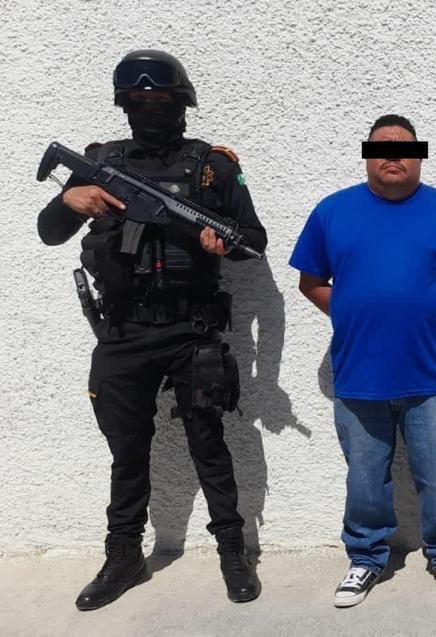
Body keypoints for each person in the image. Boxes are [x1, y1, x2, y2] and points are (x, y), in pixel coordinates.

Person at [36, 49, 266, 610]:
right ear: (124, 105)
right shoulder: (100, 160)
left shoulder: (212, 167)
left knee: (208, 442)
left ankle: (232, 550)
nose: (150, 108)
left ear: (181, 103)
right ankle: (123, 556)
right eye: (138, 100)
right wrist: (69, 199)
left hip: (192, 329)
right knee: (127, 448)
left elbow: (253, 242)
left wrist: (221, 244)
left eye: (160, 99)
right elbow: (48, 231)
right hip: (122, 332)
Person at [290, 114, 436, 607]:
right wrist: (353, 311)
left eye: (405, 147)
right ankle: (365, 557)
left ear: (420, 156)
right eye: (381, 147)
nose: (393, 155)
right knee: (365, 480)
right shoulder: (332, 212)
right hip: (360, 377)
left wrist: (433, 310)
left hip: (433, 376)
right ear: (366, 156)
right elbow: (310, 282)